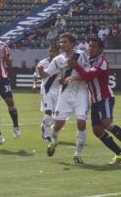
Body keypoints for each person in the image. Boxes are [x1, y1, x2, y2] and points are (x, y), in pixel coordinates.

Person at [67, 37, 121, 164]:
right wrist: (73, 78)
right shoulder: (89, 60)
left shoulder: (101, 61)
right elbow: (85, 76)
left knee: (106, 122)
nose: (90, 48)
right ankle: (119, 153)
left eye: (93, 46)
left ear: (100, 49)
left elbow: (89, 75)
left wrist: (77, 67)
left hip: (105, 97)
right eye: (90, 46)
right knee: (97, 130)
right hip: (94, 100)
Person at [37, 33, 89, 164]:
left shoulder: (81, 55)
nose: (62, 44)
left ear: (72, 43)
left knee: (81, 123)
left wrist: (73, 78)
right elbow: (46, 74)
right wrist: (40, 70)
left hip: (81, 93)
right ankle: (54, 142)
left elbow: (88, 73)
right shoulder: (58, 59)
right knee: (58, 126)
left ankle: (77, 154)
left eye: (65, 42)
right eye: (61, 42)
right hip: (65, 95)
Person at [33, 45, 60, 141]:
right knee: (48, 111)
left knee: (58, 114)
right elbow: (36, 75)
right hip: (46, 89)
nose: (52, 53)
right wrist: (34, 84)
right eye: (50, 51)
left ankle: (44, 125)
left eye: (54, 51)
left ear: (58, 52)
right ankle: (47, 134)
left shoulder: (61, 62)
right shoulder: (43, 62)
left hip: (58, 90)